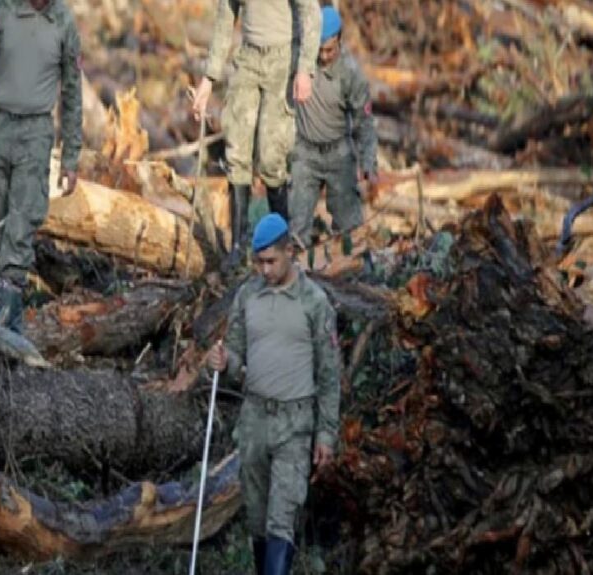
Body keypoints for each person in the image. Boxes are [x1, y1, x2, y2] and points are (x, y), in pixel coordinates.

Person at [207, 213, 340, 575]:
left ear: (290, 252)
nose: (264, 270)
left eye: (271, 261)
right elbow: (234, 356)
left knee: (282, 518)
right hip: (254, 421)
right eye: (259, 262)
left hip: (295, 424)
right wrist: (221, 360)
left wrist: (326, 433)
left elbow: (329, 373)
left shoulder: (314, 302)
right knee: (258, 519)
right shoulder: (248, 297)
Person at [0, 0, 82, 333]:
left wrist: (71, 156)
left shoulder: (63, 21)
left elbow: (72, 91)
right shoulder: (2, 9)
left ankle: (8, 306)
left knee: (22, 221)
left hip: (36, 133)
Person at [191, 0, 321, 268]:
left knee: (271, 156)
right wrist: (209, 78)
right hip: (249, 58)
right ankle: (238, 247)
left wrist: (305, 69)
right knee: (236, 150)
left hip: (283, 58)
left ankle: (283, 244)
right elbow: (226, 18)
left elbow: (311, 13)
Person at [289, 5, 377, 250]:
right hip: (305, 152)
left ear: (339, 39)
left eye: (329, 50)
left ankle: (355, 274)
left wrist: (368, 161)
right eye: (319, 50)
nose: (324, 56)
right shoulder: (300, 59)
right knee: (296, 225)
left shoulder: (351, 75)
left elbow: (365, 122)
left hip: (339, 152)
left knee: (350, 227)